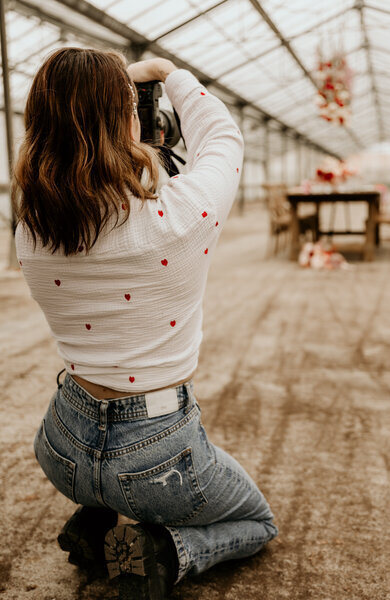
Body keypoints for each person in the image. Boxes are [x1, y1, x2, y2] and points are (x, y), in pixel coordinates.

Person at [13, 48, 278, 600]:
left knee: (107, 476)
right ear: (129, 122)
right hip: (156, 456)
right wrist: (166, 72)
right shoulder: (179, 218)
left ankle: (94, 518)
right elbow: (224, 139)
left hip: (60, 447)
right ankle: (163, 552)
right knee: (259, 522)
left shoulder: (32, 231)